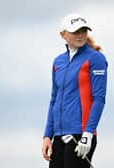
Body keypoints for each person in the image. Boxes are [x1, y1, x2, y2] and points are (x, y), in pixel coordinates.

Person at [42, 13, 108, 168]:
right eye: (75, 32)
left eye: (83, 31)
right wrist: (47, 135)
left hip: (80, 136)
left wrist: (88, 134)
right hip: (58, 136)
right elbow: (54, 100)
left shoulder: (96, 58)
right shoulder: (58, 61)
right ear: (63, 35)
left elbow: (99, 99)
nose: (80, 35)